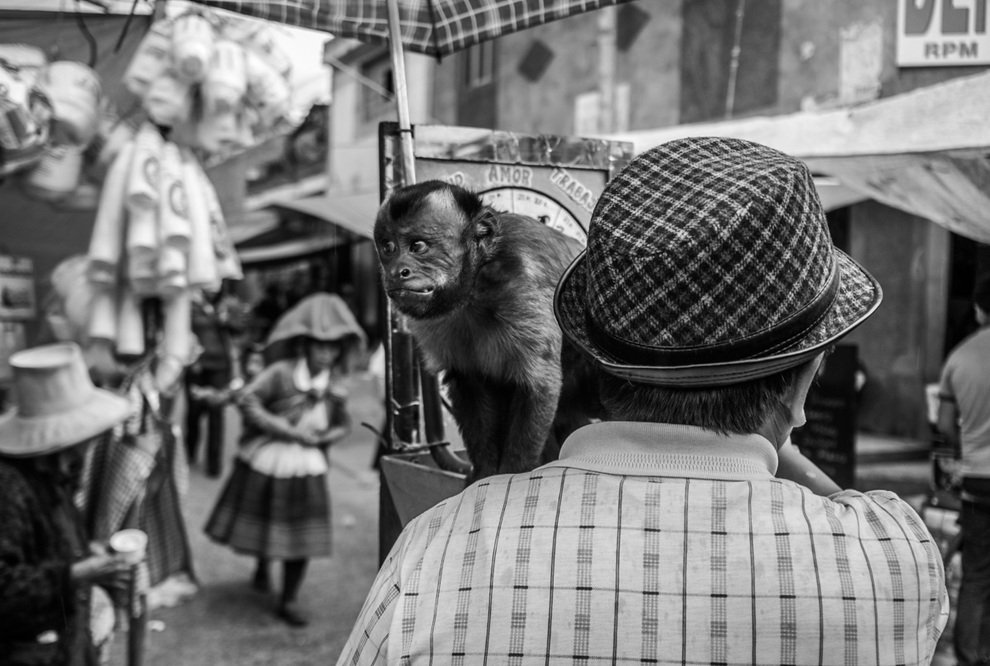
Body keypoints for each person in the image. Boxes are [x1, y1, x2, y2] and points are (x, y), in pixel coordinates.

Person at [338, 137, 949, 664]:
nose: (399, 267)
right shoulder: (892, 555)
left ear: (593, 349)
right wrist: (778, 429)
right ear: (807, 370)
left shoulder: (432, 548)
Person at [205, 293, 366, 627]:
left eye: (333, 346)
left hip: (309, 466)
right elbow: (248, 400)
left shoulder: (336, 386)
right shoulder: (280, 373)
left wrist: (327, 437)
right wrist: (287, 431)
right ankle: (263, 567)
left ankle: (289, 598)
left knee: (303, 534)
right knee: (266, 521)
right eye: (320, 345)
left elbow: (342, 424)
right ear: (304, 346)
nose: (326, 353)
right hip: (270, 457)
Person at [0, 342, 134, 665]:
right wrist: (76, 572)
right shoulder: (9, 486)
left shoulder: (52, 471)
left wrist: (89, 554)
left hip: (62, 638)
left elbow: (50, 544)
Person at [937, 275, 990, 666]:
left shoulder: (959, 357)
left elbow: (944, 425)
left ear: (978, 309)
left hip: (977, 480)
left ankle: (968, 655)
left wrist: (964, 452)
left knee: (976, 573)